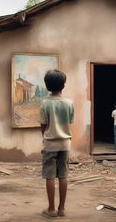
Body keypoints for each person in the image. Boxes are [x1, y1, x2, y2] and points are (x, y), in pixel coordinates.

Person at [40, 69, 74, 218]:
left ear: (47, 86)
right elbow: (69, 122)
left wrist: (46, 136)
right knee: (63, 176)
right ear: (63, 85)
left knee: (50, 176)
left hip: (50, 145)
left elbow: (43, 125)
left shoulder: (45, 104)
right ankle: (62, 209)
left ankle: (51, 209)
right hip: (65, 144)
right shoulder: (69, 103)